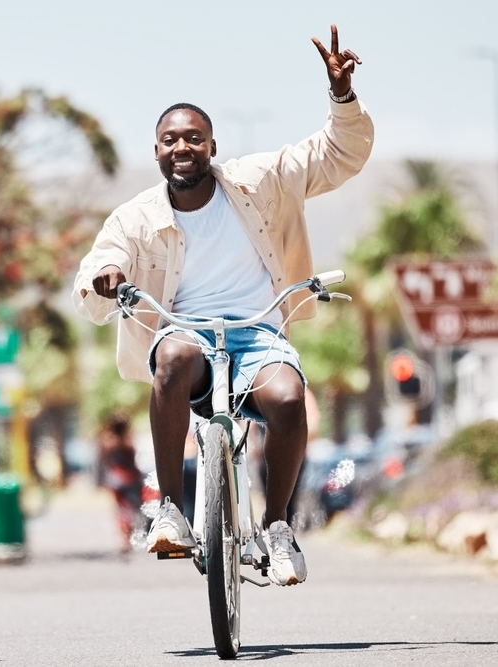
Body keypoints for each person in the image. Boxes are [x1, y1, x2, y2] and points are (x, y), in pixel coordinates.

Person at [72, 25, 373, 586]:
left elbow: (339, 154)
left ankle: (278, 526)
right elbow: (96, 268)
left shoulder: (261, 181)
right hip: (187, 334)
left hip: (259, 334)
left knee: (287, 399)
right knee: (172, 360)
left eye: (193, 138)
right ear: (156, 151)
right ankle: (171, 510)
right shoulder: (136, 217)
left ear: (212, 146)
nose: (181, 147)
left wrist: (341, 96)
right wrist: (105, 276)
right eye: (169, 140)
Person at [97, 414, 145, 553]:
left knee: (122, 509)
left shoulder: (108, 440)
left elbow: (103, 457)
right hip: (126, 478)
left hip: (116, 479)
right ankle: (125, 538)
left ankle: (124, 538)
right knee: (128, 509)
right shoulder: (125, 440)